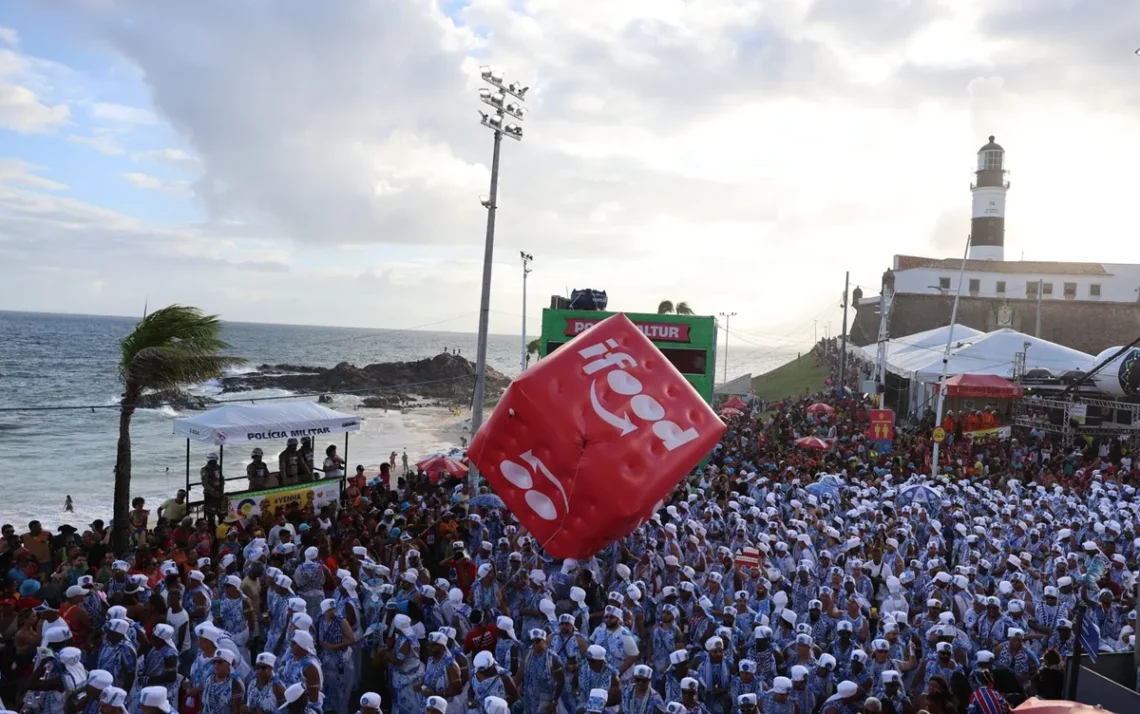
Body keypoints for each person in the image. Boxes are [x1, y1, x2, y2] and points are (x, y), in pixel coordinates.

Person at [201, 455, 224, 527]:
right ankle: (212, 530)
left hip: (219, 493)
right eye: (213, 462)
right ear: (209, 461)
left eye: (216, 461)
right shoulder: (205, 470)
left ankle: (221, 528)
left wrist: (221, 489)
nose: (215, 463)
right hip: (210, 494)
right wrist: (214, 490)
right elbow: (205, 484)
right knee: (211, 515)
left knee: (221, 514)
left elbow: (221, 478)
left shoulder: (218, 467)